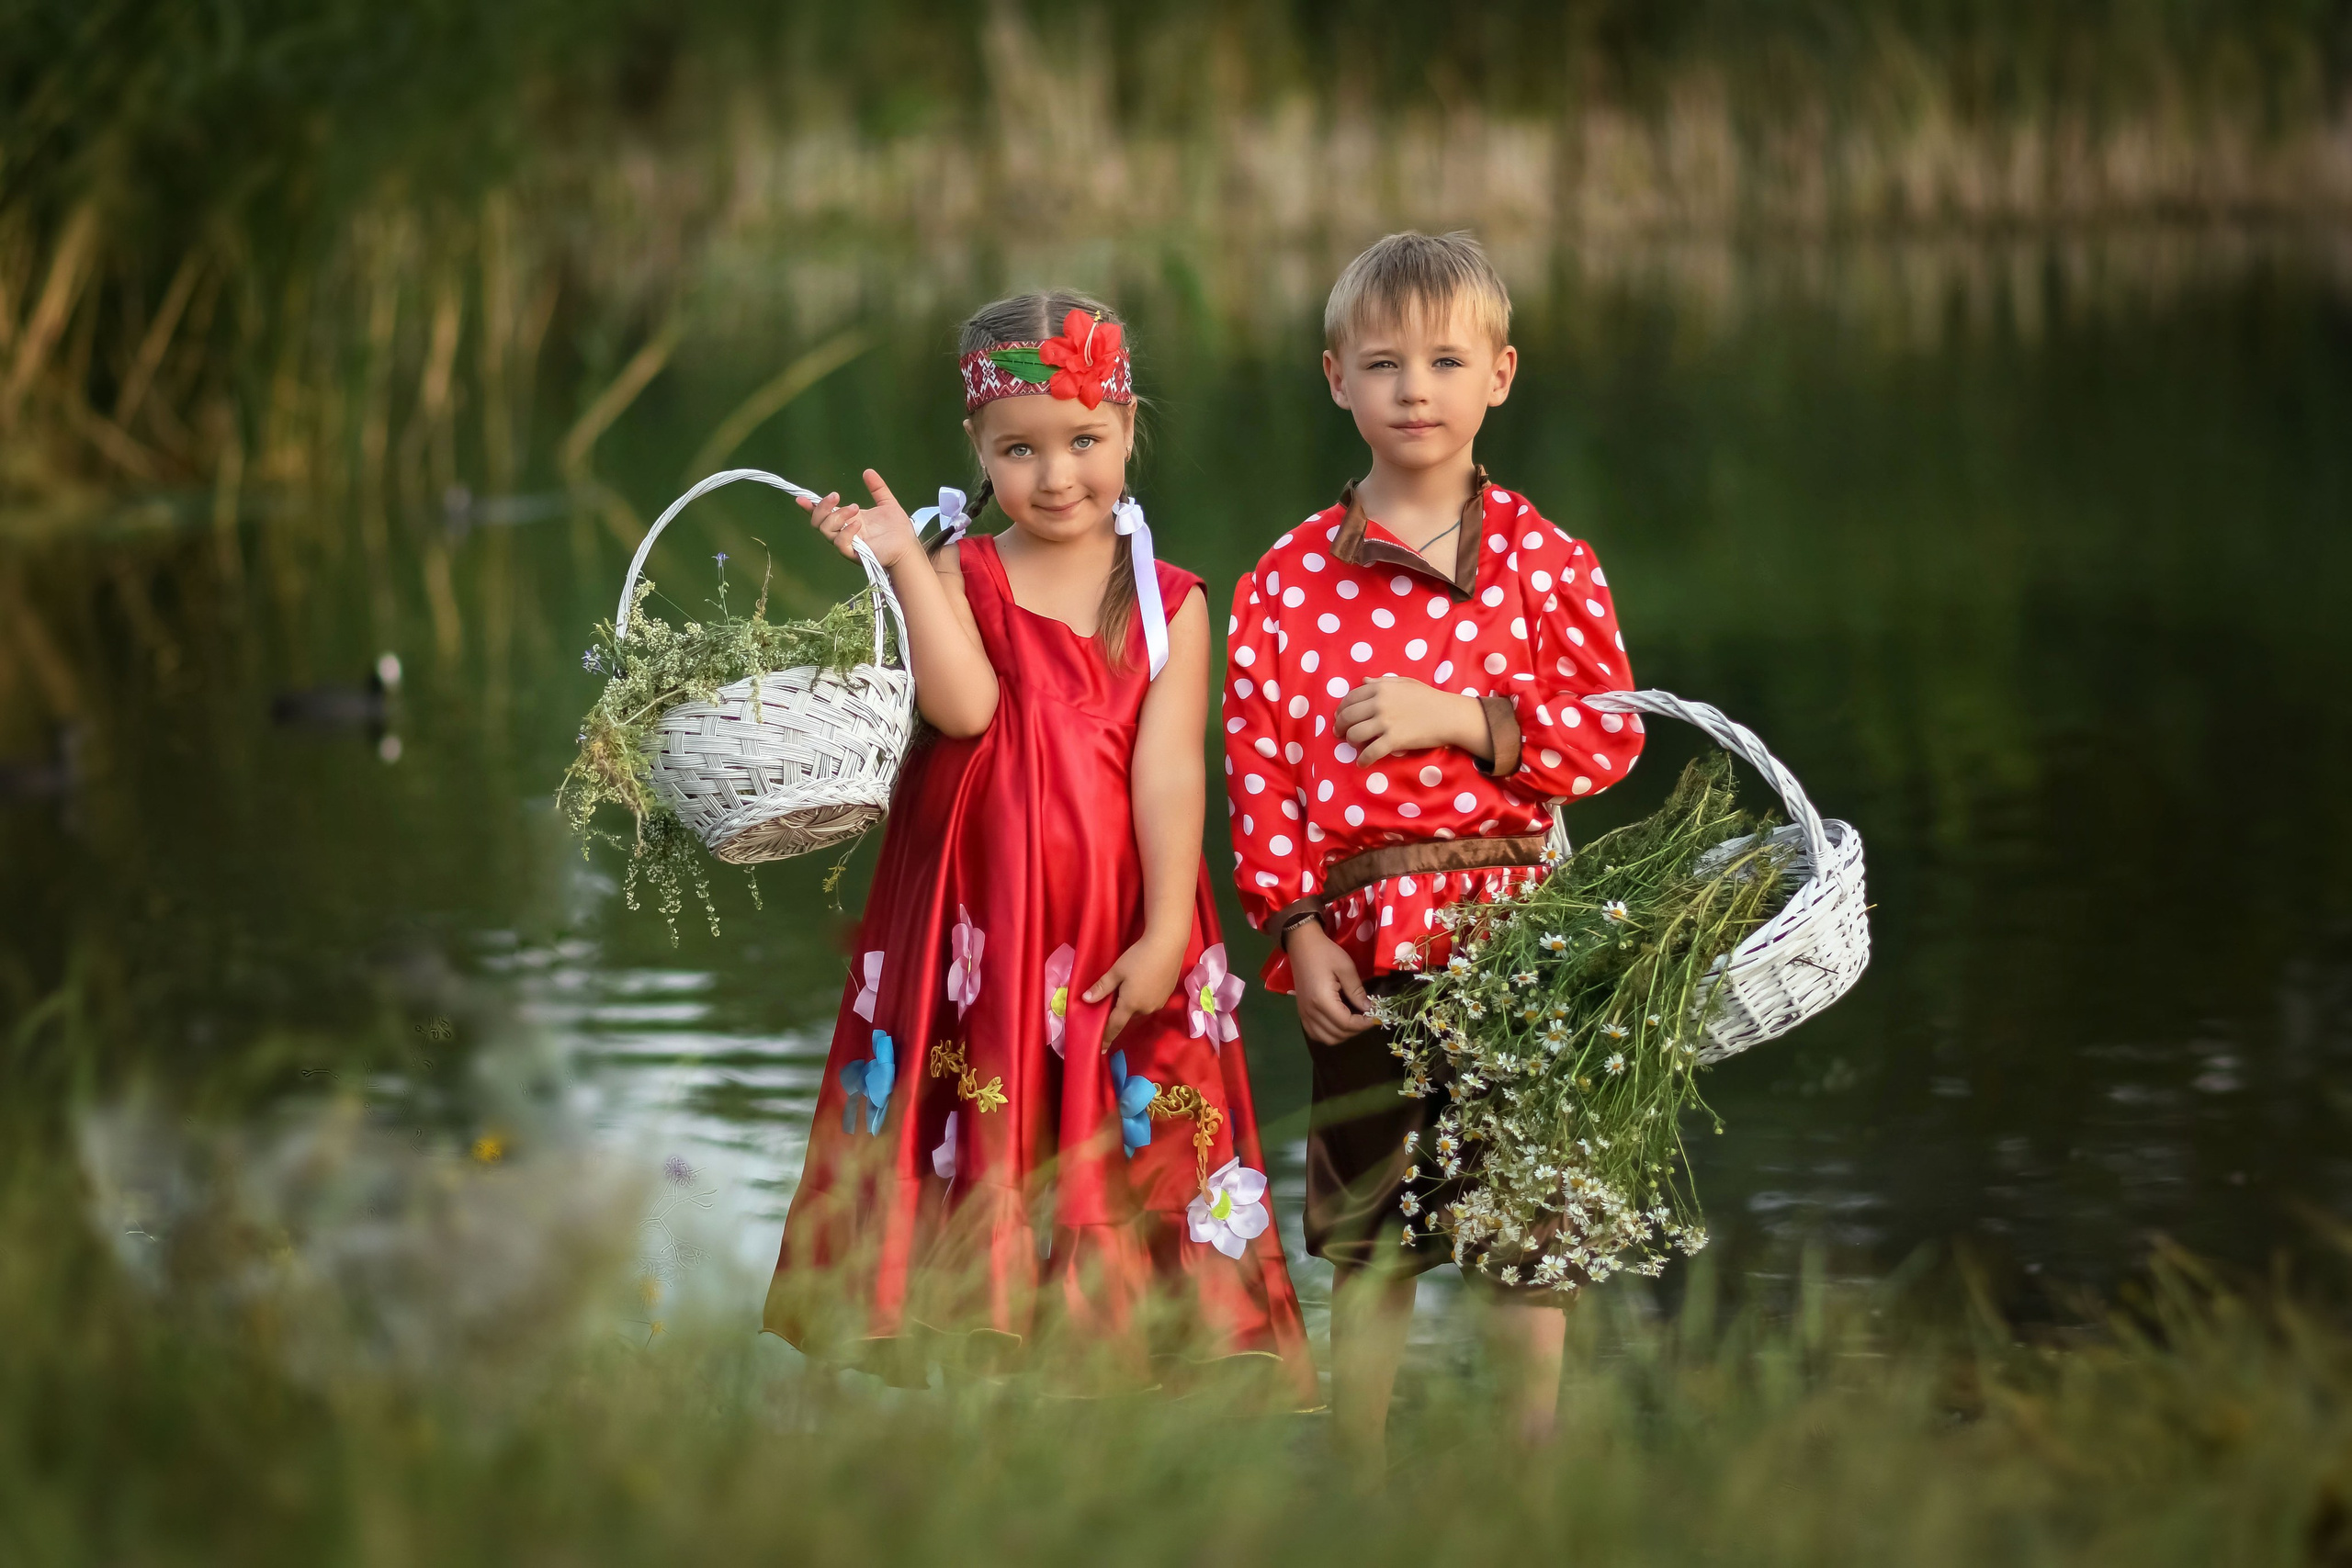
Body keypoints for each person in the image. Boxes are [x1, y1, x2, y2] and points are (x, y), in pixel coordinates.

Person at [765, 291, 1312, 1400]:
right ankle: (989, 1375)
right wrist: (903, 564)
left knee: (1121, 1137)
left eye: (1084, 443)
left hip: (1113, 925)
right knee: (993, 1119)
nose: (1057, 476)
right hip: (987, 932)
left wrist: (1167, 928)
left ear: (1126, 431)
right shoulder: (963, 572)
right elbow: (963, 710)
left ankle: (1106, 1376)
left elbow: (1167, 774)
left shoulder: (1168, 602)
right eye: (1020, 451)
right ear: (978, 450)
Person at [1221, 232, 1645, 1466]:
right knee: (1368, 1230)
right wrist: (1295, 928)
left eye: (1447, 359)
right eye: (1385, 361)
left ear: (1500, 376)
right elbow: (1259, 775)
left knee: (1528, 1224)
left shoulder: (1546, 562)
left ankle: (1527, 1466)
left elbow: (1610, 741)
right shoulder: (1284, 583)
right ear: (1334, 378)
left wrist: (1460, 717)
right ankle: (1355, 1463)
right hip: (1363, 947)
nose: (1417, 386)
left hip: (1519, 945)